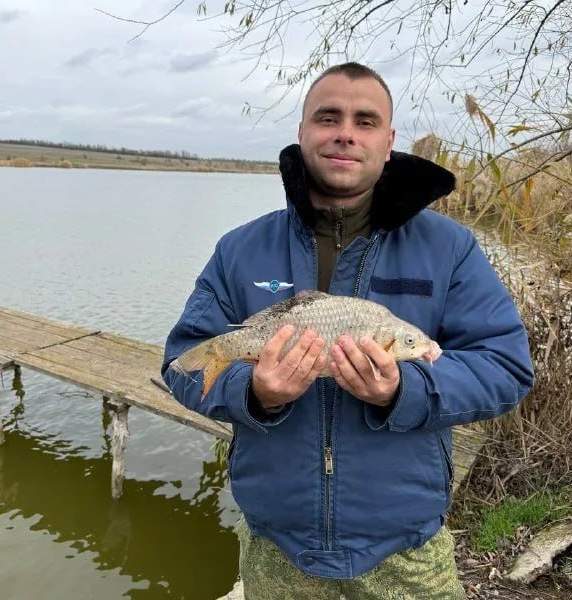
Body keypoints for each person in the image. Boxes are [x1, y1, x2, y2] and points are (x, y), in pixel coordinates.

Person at [162, 62, 534, 599]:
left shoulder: (449, 249)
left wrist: (403, 390)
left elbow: (505, 369)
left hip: (405, 544)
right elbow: (183, 365)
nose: (345, 133)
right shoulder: (239, 249)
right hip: (276, 542)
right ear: (303, 133)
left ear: (388, 142)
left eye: (365, 121)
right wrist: (256, 393)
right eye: (328, 117)